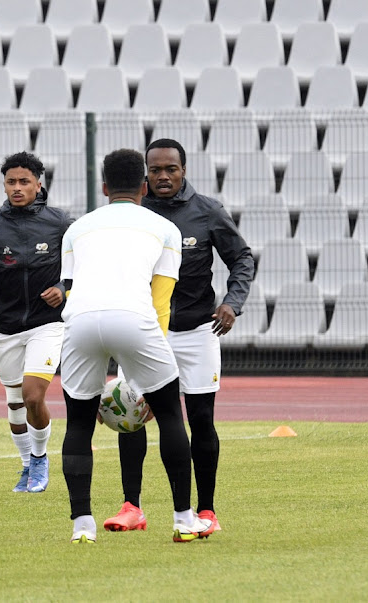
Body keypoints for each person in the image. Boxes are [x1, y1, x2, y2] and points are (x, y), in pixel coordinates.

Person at [59, 148, 215, 544]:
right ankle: (184, 519)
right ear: (144, 187)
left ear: (105, 187)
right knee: (169, 416)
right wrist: (153, 365)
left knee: (78, 423)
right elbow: (160, 301)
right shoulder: (165, 228)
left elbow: (72, 287)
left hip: (78, 321)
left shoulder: (77, 228)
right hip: (134, 318)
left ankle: (82, 526)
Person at [103, 138, 254, 534]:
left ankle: (207, 511)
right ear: (144, 175)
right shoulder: (132, 215)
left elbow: (241, 258)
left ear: (184, 170)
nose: (163, 176)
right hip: (144, 331)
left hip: (197, 330)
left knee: (201, 419)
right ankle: (131, 507)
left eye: (171, 169)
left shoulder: (207, 212)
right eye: (155, 170)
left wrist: (232, 303)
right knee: (132, 416)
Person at [0, 151, 73, 493]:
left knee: (32, 396)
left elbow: (81, 269)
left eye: (24, 181)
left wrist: (63, 288)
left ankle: (40, 459)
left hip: (48, 325)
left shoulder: (60, 224)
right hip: (7, 329)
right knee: (14, 404)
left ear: (39, 184)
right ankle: (26, 465)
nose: (17, 187)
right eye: (11, 181)